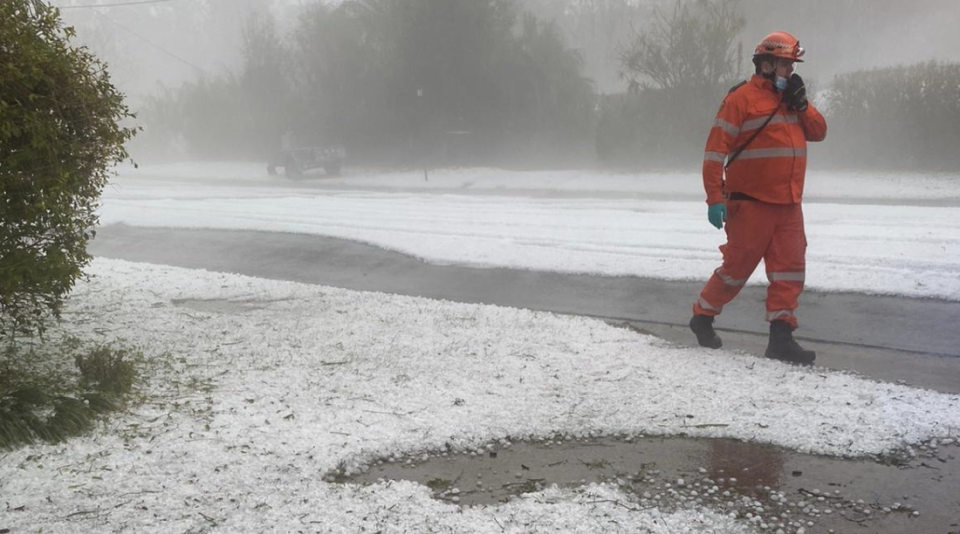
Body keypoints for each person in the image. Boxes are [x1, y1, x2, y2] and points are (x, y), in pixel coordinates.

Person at [689, 31, 827, 365]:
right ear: (766, 64)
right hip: (749, 202)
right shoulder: (741, 99)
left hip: (789, 203)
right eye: (785, 65)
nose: (790, 72)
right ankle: (702, 315)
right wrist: (714, 199)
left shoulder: (793, 102)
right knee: (736, 269)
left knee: (790, 270)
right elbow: (714, 152)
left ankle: (781, 337)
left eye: (792, 65)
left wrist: (803, 105)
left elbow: (819, 132)